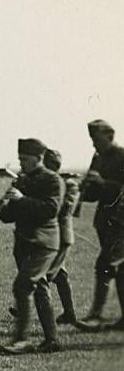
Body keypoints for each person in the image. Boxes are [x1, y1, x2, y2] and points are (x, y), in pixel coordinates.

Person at [0, 138, 64, 354]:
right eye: (20, 159)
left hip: (43, 243)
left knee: (23, 286)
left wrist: (22, 199)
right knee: (40, 288)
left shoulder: (53, 180)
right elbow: (9, 216)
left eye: (25, 159)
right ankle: (52, 340)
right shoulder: (23, 180)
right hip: (25, 243)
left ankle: (22, 339)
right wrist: (4, 207)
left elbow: (50, 210)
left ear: (39, 158)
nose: (21, 163)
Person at [75, 119, 124, 331]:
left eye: (95, 139)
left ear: (109, 136)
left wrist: (102, 182)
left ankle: (96, 315)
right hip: (105, 221)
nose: (93, 144)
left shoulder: (122, 156)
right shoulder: (98, 158)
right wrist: (86, 188)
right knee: (121, 271)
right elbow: (94, 196)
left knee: (104, 265)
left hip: (121, 221)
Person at [42, 149, 80, 325]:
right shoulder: (48, 183)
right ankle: (70, 313)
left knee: (43, 275)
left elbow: (66, 209)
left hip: (61, 236)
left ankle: (23, 308)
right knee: (60, 275)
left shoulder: (70, 184)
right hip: (50, 236)